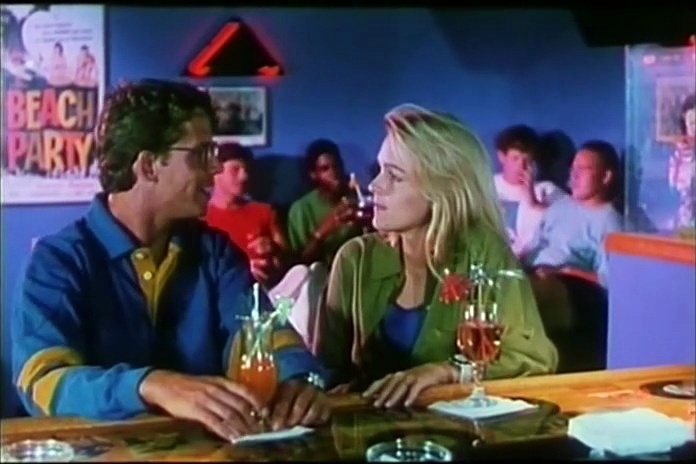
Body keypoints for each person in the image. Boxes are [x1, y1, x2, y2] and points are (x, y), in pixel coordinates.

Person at [11, 79, 330, 440]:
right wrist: (150, 385)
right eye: (202, 154)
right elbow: (43, 381)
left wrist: (299, 378)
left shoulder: (215, 252)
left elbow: (262, 332)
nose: (215, 168)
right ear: (148, 166)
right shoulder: (58, 261)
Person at [318, 104, 558, 409]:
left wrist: (447, 371)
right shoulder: (355, 259)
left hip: (458, 428)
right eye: (379, 171)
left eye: (395, 176)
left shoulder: (483, 253)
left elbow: (534, 358)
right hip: (372, 427)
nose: (375, 185)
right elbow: (325, 371)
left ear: (441, 189)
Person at [521, 140, 624, 330]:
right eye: (573, 168)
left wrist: (565, 271)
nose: (574, 175)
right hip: (533, 274)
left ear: (606, 176)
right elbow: (533, 248)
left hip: (571, 290)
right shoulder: (559, 206)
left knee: (523, 295)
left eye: (583, 169)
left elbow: (610, 281)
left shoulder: (609, 223)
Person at [205, 142, 289, 287]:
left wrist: (273, 251)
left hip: (266, 287)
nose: (244, 176)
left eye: (246, 170)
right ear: (216, 172)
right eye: (235, 170)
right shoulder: (200, 217)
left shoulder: (264, 211)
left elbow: (288, 260)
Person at [493, 125, 566, 257]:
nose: (521, 166)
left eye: (527, 160)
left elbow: (571, 218)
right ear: (502, 156)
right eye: (515, 158)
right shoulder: (487, 186)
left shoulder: (545, 190)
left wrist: (533, 200)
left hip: (531, 263)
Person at [287, 138, 362, 266]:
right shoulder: (300, 209)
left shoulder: (356, 199)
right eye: (325, 169)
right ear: (313, 175)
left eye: (337, 166)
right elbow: (300, 261)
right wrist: (327, 227)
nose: (334, 173)